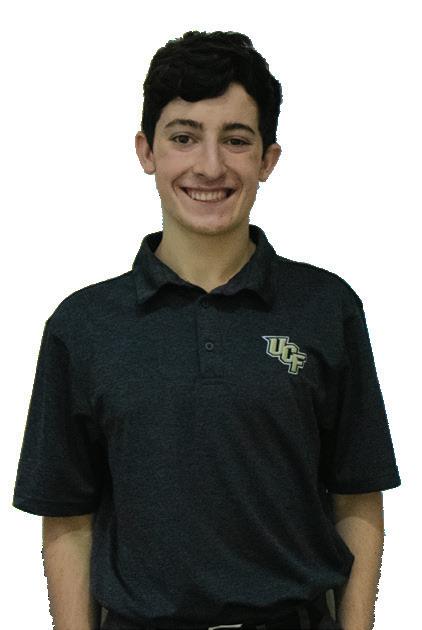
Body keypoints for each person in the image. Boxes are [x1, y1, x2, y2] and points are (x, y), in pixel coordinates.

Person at [12, 30, 401, 630]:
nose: (210, 166)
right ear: (147, 151)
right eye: (184, 137)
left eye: (236, 140)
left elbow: (357, 495)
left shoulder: (327, 309)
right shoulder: (82, 326)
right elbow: (68, 518)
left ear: (268, 159)